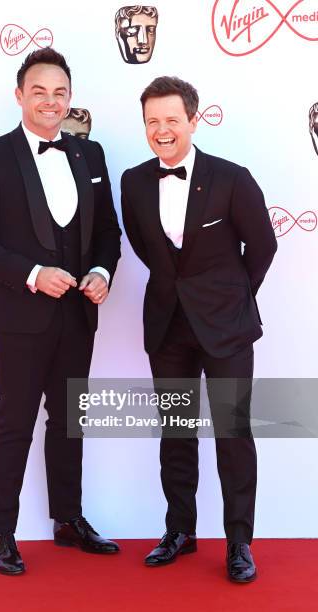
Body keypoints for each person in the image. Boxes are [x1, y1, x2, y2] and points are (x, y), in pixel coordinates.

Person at [0, 48, 121, 575]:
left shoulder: (89, 155)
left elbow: (107, 235)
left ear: (69, 98)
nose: (50, 102)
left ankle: (68, 519)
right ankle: (1, 533)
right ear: (19, 95)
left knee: (70, 421)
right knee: (16, 422)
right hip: (19, 315)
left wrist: (101, 273)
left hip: (78, 315)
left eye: (59, 93)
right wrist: (32, 274)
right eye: (39, 91)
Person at [121, 76, 277, 583]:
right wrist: (180, 289)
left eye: (171, 120)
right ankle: (179, 531)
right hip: (168, 326)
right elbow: (150, 251)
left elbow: (263, 246)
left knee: (233, 433)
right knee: (176, 433)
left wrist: (232, 298)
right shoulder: (133, 181)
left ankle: (239, 543)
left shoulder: (232, 178)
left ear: (193, 120)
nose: (162, 131)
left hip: (227, 328)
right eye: (152, 122)